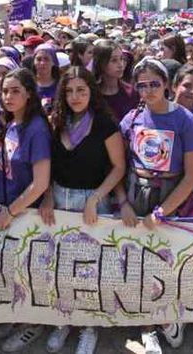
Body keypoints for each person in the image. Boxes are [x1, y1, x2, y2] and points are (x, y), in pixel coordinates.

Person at [39, 67, 132, 354]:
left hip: (93, 203)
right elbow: (48, 165)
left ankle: (89, 327)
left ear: (91, 91)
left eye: (81, 90)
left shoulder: (104, 123)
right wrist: (46, 196)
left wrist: (96, 197)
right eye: (69, 91)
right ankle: (63, 320)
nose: (75, 96)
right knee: (60, 265)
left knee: (91, 268)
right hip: (58, 199)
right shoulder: (55, 121)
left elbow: (118, 167)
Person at [120, 57, 193, 354]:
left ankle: (169, 317)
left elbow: (192, 176)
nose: (148, 90)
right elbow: (117, 167)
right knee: (138, 266)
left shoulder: (185, 120)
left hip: (171, 197)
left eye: (154, 83)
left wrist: (163, 211)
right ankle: (147, 328)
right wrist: (123, 203)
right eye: (141, 85)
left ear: (167, 84)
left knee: (169, 263)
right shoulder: (131, 119)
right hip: (136, 193)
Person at [0, 68, 52, 353]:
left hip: (27, 217)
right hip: (5, 212)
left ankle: (33, 325)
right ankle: (17, 315)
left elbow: (40, 182)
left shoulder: (36, 129)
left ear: (29, 95)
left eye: (15, 91)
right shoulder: (10, 125)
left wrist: (10, 211)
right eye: (5, 91)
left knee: (31, 274)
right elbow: (2, 169)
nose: (8, 96)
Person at [93, 40, 138, 121]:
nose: (120, 65)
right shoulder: (92, 94)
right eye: (114, 60)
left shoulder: (132, 92)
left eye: (122, 59)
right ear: (101, 63)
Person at [33, 43, 60, 113]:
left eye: (46, 59)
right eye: (38, 59)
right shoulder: (28, 84)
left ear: (53, 62)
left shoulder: (61, 85)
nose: (42, 63)